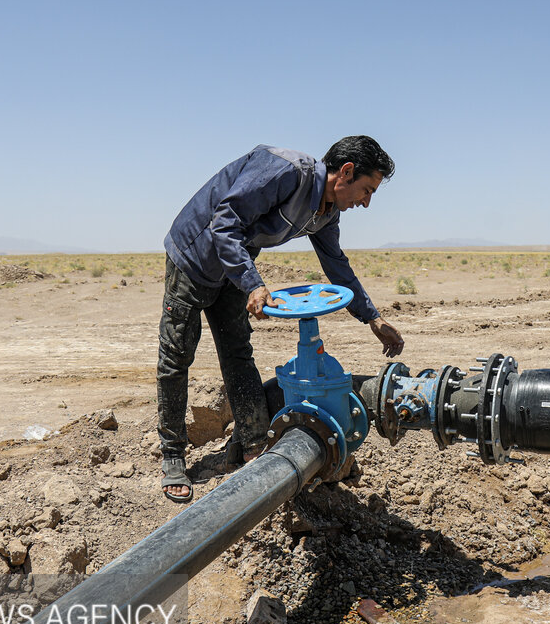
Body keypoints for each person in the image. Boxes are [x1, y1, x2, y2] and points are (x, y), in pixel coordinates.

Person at [157, 136, 404, 502]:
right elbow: (224, 221)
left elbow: (336, 263)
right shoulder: (285, 171)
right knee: (176, 357)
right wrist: (253, 283)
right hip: (194, 258)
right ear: (346, 172)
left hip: (234, 267)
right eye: (367, 190)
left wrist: (373, 318)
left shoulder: (326, 212)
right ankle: (173, 456)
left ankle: (253, 444)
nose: (366, 202)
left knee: (237, 352)